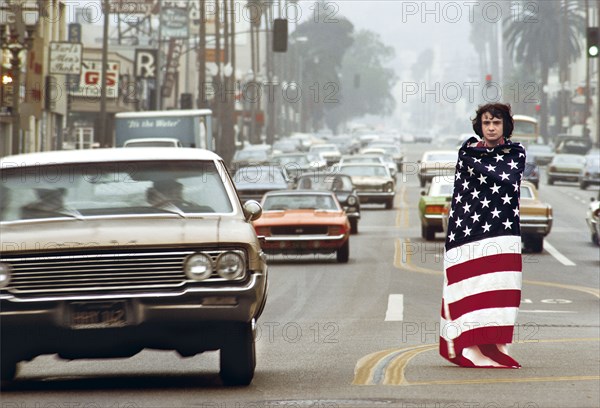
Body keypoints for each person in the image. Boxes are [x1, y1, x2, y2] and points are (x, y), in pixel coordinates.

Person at [439, 103, 526, 368]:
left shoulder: (516, 153)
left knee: (498, 293)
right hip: (467, 234)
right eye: (487, 122)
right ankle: (468, 347)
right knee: (470, 288)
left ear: (505, 126)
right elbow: (462, 194)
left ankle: (493, 347)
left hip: (503, 233)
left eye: (496, 123)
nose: (490, 127)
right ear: (480, 125)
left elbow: (508, 182)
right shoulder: (467, 153)